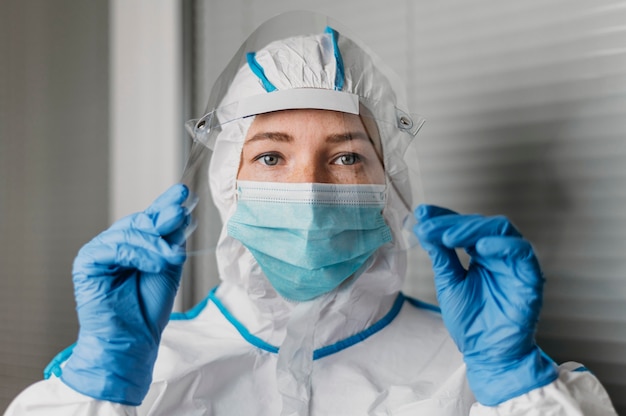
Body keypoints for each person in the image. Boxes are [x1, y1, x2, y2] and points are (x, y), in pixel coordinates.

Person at [5, 11, 617, 416]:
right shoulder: (145, 370)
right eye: (270, 156)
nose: (309, 189)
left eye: (347, 157)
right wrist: (101, 384)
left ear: (390, 182)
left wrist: (514, 383)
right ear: (226, 179)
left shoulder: (476, 371)